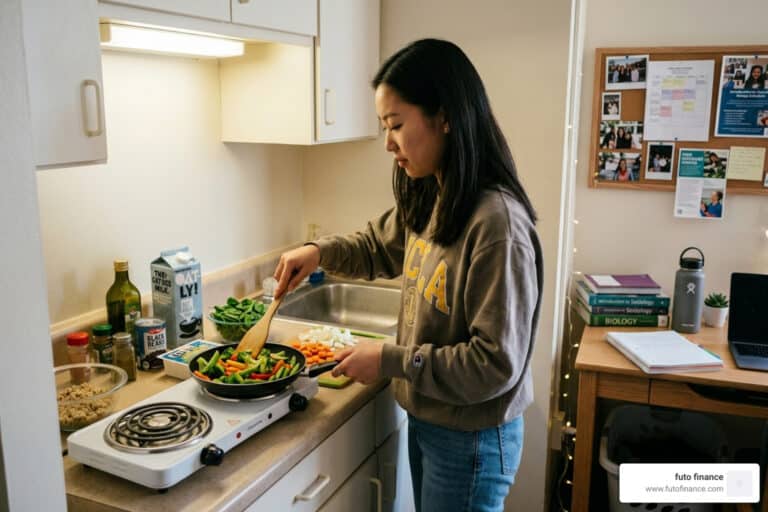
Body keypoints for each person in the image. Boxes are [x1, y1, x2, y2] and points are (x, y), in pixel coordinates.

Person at [272, 38, 542, 512]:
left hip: (472, 439)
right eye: (384, 126)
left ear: (445, 116)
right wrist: (319, 251)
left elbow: (495, 364)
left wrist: (392, 360)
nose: (388, 142)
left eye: (396, 125)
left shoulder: (497, 224)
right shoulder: (437, 194)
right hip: (433, 420)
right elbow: (378, 245)